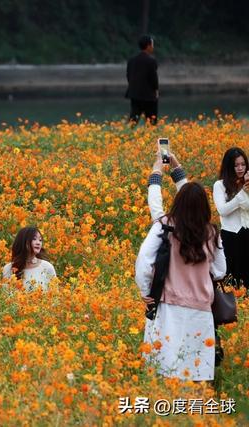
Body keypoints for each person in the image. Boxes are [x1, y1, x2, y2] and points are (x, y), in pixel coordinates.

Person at [135, 155, 226, 381]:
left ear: (178, 202)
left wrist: (146, 291)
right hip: (201, 311)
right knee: (196, 372)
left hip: (169, 307)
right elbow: (220, 271)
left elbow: (144, 260)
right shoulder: (211, 233)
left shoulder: (165, 226)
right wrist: (177, 170)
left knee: (165, 370)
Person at [213, 147, 249, 288]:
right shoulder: (220, 185)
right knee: (232, 281)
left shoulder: (246, 183)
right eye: (236, 165)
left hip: (247, 233)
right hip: (231, 237)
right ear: (229, 166)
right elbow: (223, 210)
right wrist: (242, 194)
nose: (240, 168)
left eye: (243, 164)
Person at [2, 226, 56, 292]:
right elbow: (5, 296)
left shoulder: (47, 267)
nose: (38, 243)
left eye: (40, 240)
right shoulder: (8, 269)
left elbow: (55, 295)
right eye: (34, 239)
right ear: (23, 241)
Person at [125, 35, 159, 125]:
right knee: (151, 121)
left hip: (135, 94)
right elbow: (153, 78)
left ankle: (126, 133)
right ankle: (150, 134)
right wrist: (156, 90)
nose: (153, 47)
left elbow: (128, 76)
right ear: (148, 46)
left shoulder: (131, 60)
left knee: (133, 120)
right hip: (149, 96)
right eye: (152, 45)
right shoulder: (151, 61)